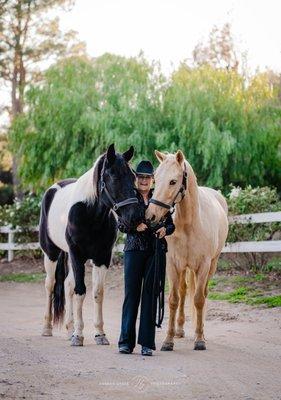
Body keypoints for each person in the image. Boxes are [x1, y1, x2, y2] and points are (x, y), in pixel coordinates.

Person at [118, 160, 175, 356]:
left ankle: (146, 344)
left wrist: (164, 229)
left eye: (147, 177)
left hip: (155, 251)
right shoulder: (129, 197)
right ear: (136, 179)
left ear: (152, 180)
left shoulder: (158, 196)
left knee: (150, 296)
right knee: (131, 295)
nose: (144, 180)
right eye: (140, 176)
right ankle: (125, 342)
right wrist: (134, 228)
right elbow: (121, 224)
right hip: (134, 249)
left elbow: (171, 224)